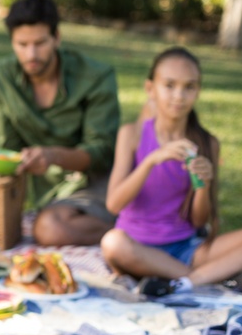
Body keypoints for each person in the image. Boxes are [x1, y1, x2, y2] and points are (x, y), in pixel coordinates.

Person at [100, 47, 242, 296]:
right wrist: (150, 161)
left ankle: (185, 281)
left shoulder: (206, 143)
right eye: (169, 85)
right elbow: (114, 204)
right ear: (150, 88)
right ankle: (204, 280)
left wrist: (203, 185)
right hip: (136, 249)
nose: (179, 96)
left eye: (189, 87)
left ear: (198, 91)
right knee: (112, 242)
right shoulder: (132, 135)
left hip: (186, 250)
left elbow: (199, 221)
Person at [0, 0, 121, 246]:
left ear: (57, 37)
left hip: (98, 183)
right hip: (50, 192)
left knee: (49, 230)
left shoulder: (95, 77)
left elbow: (102, 151)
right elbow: (9, 150)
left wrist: (52, 156)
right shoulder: (2, 77)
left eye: (40, 43)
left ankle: (138, 231)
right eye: (21, 44)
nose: (31, 54)